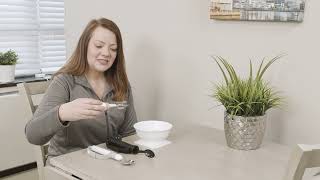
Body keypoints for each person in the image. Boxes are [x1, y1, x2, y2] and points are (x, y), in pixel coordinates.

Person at [25, 18, 137, 158]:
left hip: (108, 162)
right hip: (69, 165)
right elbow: (32, 135)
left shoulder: (121, 86)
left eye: (113, 49)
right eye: (98, 45)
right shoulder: (64, 82)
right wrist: (62, 113)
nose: (107, 53)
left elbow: (129, 134)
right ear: (85, 46)